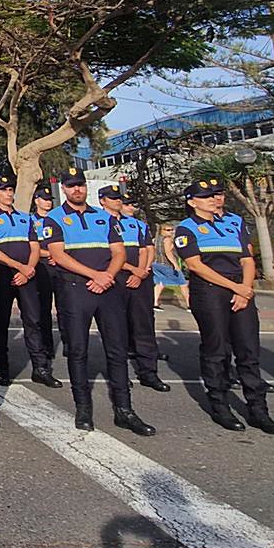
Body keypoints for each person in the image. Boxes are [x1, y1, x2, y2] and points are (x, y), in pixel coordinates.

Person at [36, 167, 154, 436]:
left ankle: (124, 410)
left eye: (80, 184)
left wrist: (107, 276)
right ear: (63, 189)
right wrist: (95, 275)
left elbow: (119, 252)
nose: (77, 189)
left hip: (108, 288)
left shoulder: (104, 217)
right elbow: (59, 255)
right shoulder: (54, 218)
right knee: (78, 350)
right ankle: (83, 409)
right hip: (75, 289)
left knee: (117, 349)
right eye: (71, 185)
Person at [176, 179, 274, 434]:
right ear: (192, 202)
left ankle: (258, 410)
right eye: (206, 197)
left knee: (248, 351)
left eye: (215, 195)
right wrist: (236, 288)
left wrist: (244, 288)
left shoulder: (232, 223)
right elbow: (196, 265)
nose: (213, 199)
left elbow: (247, 259)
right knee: (216, 350)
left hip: (240, 290)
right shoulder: (186, 228)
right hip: (210, 292)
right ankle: (220, 406)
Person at [0, 176, 57, 387]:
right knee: (0, 322)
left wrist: (27, 270)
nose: (9, 194)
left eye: (11, 190)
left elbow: (35, 248)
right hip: (1, 275)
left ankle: (40, 368)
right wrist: (19, 267)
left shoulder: (26, 218)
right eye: (4, 190)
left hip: (27, 275)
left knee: (33, 320)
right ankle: (3, 369)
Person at [100, 186, 169, 393]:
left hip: (140, 279)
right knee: (116, 329)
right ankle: (119, 374)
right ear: (102, 201)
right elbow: (107, 254)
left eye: (119, 198)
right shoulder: (98, 222)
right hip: (115, 278)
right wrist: (132, 270)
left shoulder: (136, 224)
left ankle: (149, 372)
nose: (118, 201)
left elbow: (146, 249)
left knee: (144, 326)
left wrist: (141, 272)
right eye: (113, 198)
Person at [31, 182, 61, 363]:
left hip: (60, 265)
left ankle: (68, 341)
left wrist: (59, 256)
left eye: (50, 200)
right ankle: (47, 345)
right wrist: (50, 254)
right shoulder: (30, 221)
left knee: (64, 307)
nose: (48, 202)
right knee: (44, 308)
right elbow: (31, 246)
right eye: (45, 199)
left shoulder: (58, 219)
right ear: (36, 200)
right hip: (42, 266)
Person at [151, 221, 187, 308]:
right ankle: (189, 304)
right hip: (166, 264)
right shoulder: (167, 239)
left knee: (160, 283)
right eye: (167, 230)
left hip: (156, 263)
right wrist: (175, 265)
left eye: (172, 230)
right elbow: (168, 252)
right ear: (161, 230)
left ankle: (155, 303)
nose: (170, 232)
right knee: (183, 283)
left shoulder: (155, 240)